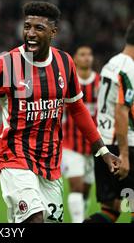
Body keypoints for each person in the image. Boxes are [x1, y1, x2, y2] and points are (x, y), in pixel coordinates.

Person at [0, 1, 120, 223]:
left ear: (53, 32)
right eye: (27, 27)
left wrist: (102, 151)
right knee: (35, 218)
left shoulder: (65, 63)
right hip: (15, 157)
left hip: (50, 163)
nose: (31, 34)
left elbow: (77, 109)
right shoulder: (6, 64)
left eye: (39, 28)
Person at [85, 21, 134, 223]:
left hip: (104, 146)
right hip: (125, 145)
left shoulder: (111, 64)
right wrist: (124, 154)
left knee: (111, 211)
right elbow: (121, 111)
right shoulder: (129, 69)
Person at [62, 46, 100, 222]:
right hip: (70, 144)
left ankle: (82, 217)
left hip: (94, 146)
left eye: (89, 55)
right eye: (83, 55)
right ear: (75, 59)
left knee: (86, 189)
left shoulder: (100, 83)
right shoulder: (67, 82)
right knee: (76, 186)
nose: (87, 58)